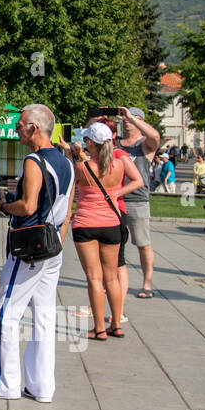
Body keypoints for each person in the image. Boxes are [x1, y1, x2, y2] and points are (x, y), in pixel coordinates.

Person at [0, 104, 74, 402]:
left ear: (34, 128)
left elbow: (28, 206)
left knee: (4, 311)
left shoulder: (33, 160)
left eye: (19, 126)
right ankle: (41, 386)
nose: (17, 130)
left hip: (30, 244)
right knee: (44, 315)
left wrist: (5, 206)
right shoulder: (66, 161)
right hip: (52, 242)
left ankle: (3, 383)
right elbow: (67, 207)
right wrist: (58, 237)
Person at [69, 123, 144, 340]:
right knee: (112, 277)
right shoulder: (119, 164)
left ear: (91, 143)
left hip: (86, 223)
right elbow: (136, 180)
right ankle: (117, 324)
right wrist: (117, 192)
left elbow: (79, 176)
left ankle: (99, 328)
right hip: (111, 224)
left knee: (94, 277)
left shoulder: (83, 167)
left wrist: (75, 154)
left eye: (86, 141)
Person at [117, 107, 162, 301]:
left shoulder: (144, 144)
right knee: (114, 244)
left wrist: (133, 119)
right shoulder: (117, 142)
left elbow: (156, 136)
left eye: (133, 118)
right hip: (117, 200)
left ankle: (147, 283)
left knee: (143, 243)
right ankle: (113, 282)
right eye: (125, 118)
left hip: (137, 200)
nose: (127, 121)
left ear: (140, 121)